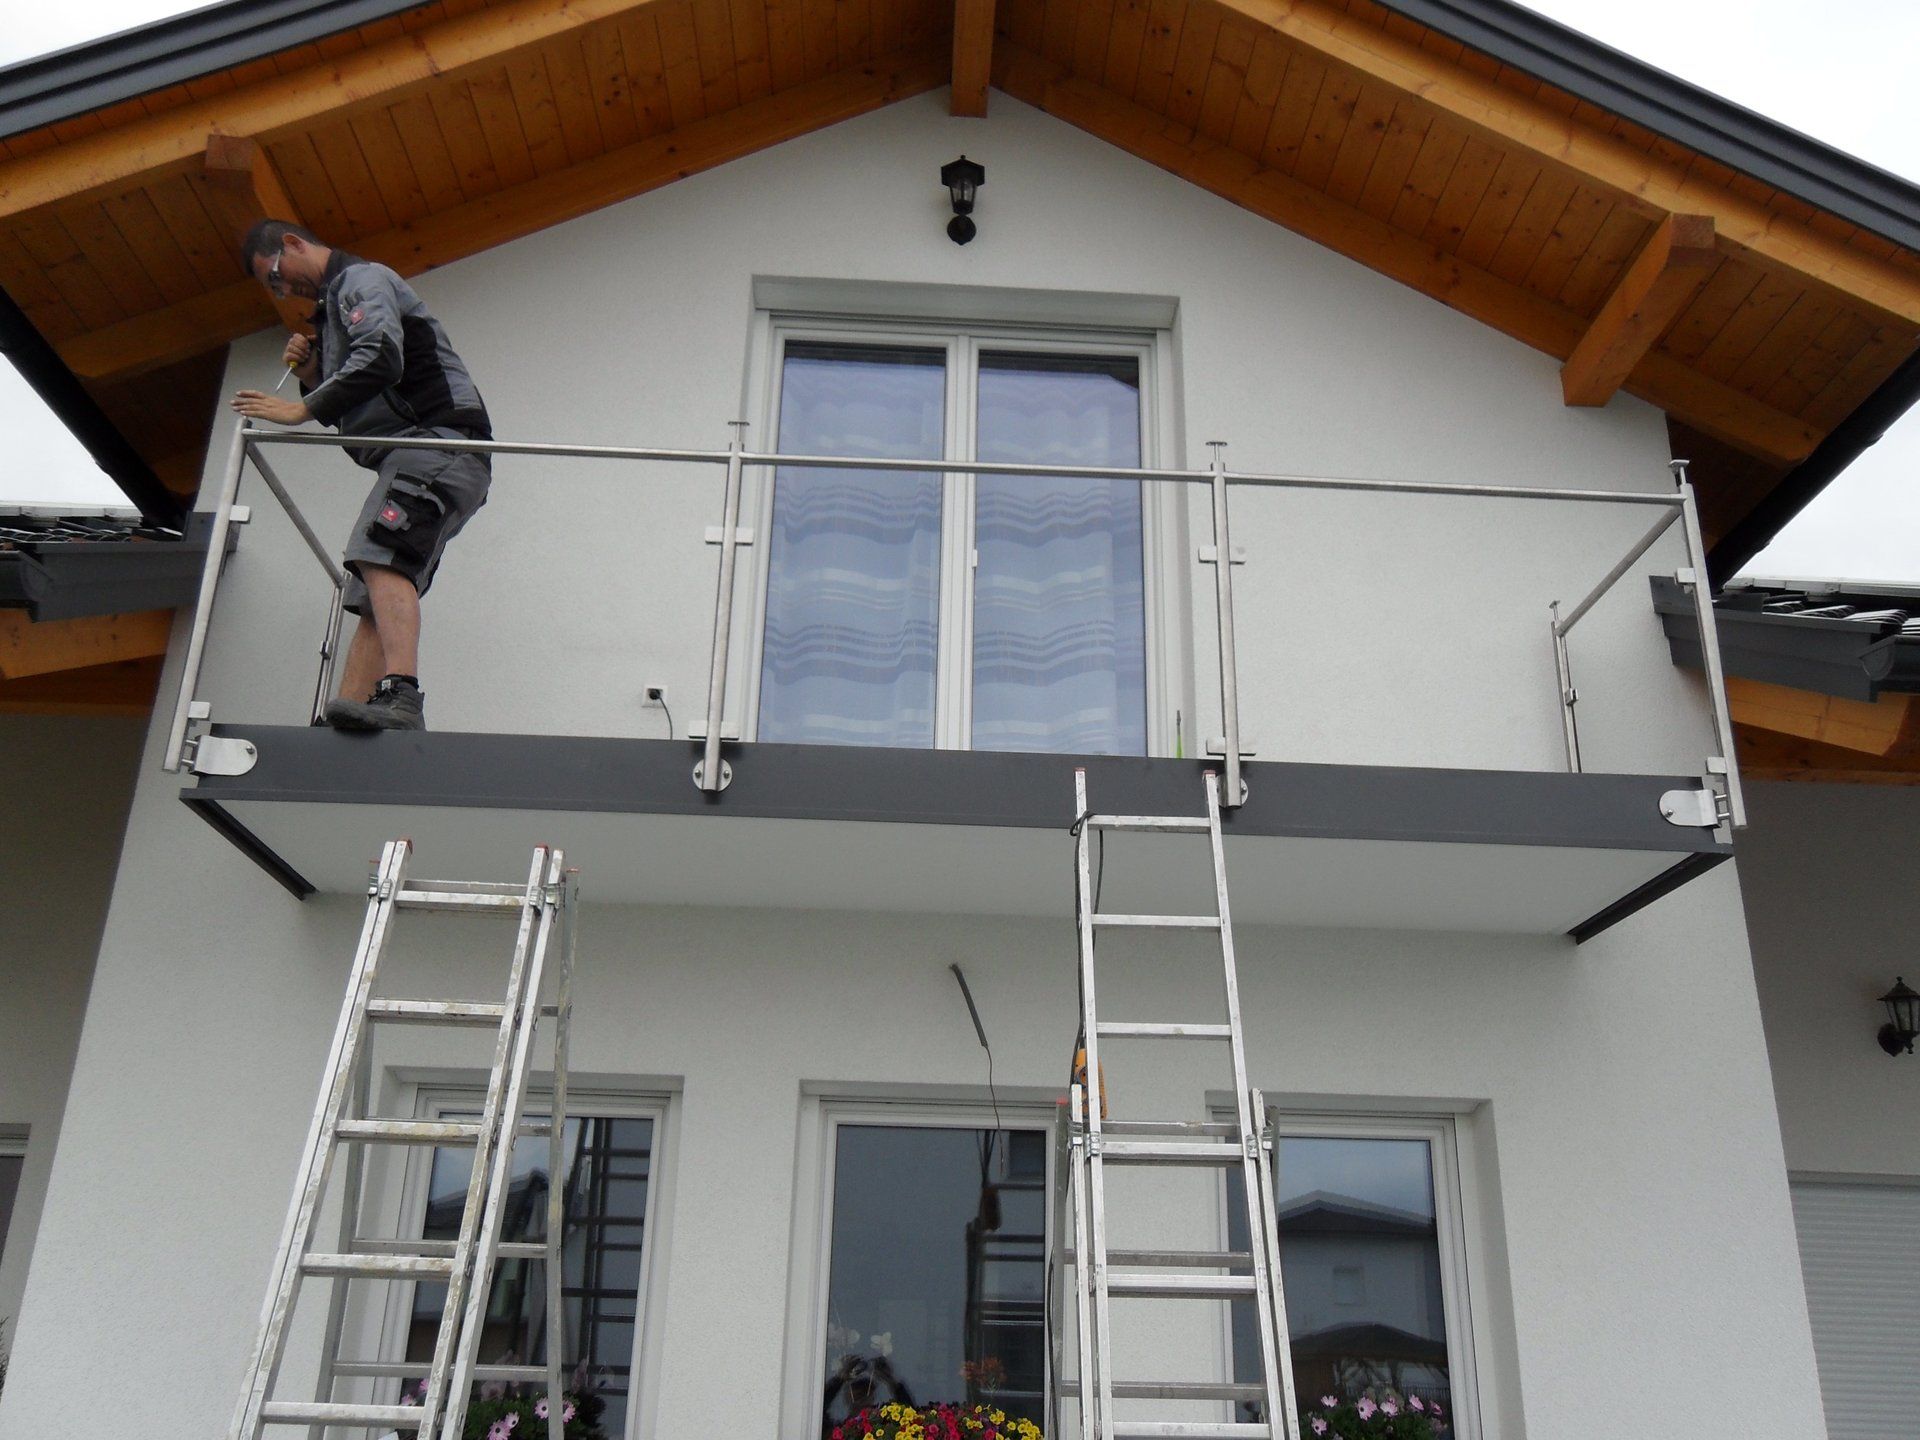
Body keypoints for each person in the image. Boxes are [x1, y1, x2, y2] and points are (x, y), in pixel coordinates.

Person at [230, 221, 492, 732]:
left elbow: (382, 356)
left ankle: (401, 697)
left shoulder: (361, 280)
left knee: (380, 555)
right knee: (374, 582)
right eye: (274, 287)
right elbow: (356, 398)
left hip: (435, 443)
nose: (284, 290)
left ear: (293, 244)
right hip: (422, 454)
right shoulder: (331, 315)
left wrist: (301, 407)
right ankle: (346, 716)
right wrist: (312, 375)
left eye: (277, 276)